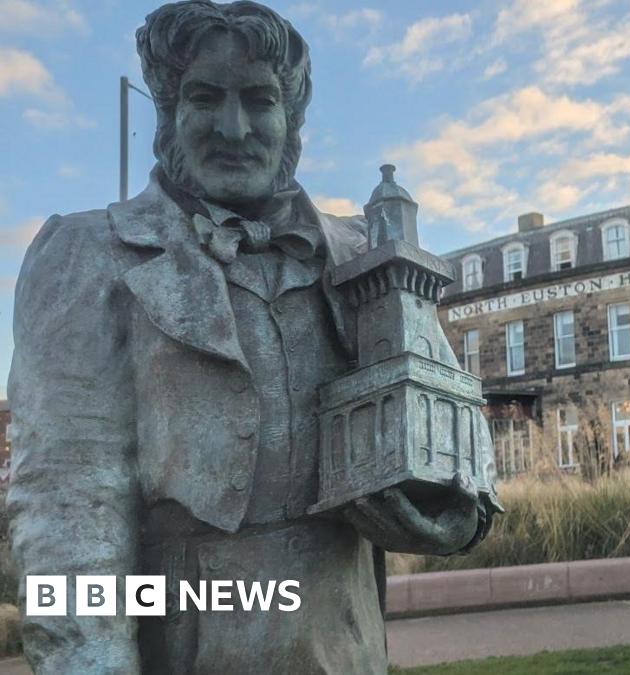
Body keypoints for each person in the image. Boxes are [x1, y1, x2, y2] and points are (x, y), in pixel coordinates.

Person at [7, 2, 489, 672]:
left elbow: (459, 456)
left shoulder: (369, 254)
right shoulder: (87, 256)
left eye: (259, 99)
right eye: (206, 97)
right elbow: (65, 511)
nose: (234, 128)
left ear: (292, 118)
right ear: (170, 110)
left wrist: (432, 502)